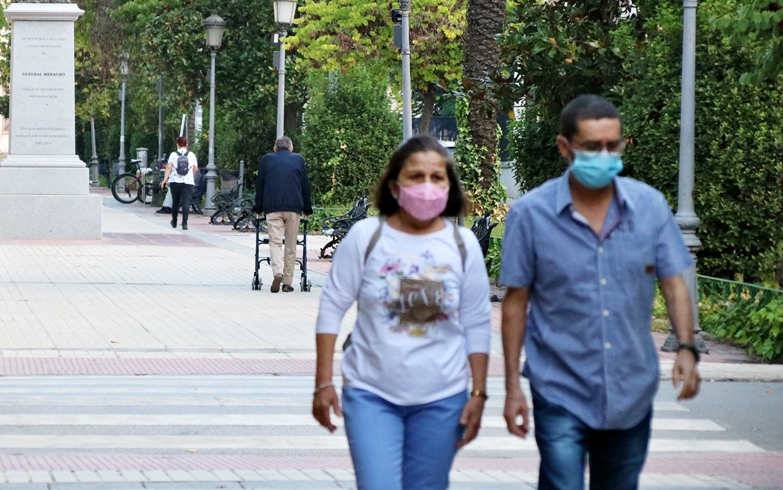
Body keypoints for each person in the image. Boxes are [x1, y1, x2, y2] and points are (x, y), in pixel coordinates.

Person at [498, 95, 700, 490]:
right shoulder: (532, 214)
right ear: (565, 147)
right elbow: (515, 304)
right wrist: (511, 388)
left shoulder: (650, 207)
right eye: (592, 147)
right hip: (558, 386)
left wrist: (687, 348)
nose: (605, 155)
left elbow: (674, 282)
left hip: (631, 388)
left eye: (613, 145)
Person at [313, 136, 491, 490]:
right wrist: (323, 382)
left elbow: (477, 320)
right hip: (371, 393)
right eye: (415, 177)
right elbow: (332, 305)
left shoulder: (462, 244)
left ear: (449, 185)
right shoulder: (367, 237)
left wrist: (479, 393)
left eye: (437, 177)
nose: (427, 186)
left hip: (443, 397)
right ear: (395, 186)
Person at [253, 136, 313, 293]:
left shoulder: (267, 159)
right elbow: (305, 185)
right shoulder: (298, 159)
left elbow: (260, 185)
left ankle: (277, 272)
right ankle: (287, 282)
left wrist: (258, 207)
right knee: (291, 245)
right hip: (294, 207)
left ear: (275, 149)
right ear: (291, 148)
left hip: (272, 207)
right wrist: (308, 208)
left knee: (275, 242)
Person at [160, 137, 196, 230]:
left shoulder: (173, 155)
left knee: (175, 202)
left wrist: (165, 180)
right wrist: (189, 175)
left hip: (175, 182)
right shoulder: (191, 155)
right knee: (186, 202)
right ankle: (184, 224)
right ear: (186, 144)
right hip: (188, 182)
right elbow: (195, 168)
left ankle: (174, 221)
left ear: (177, 144)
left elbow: (169, 168)